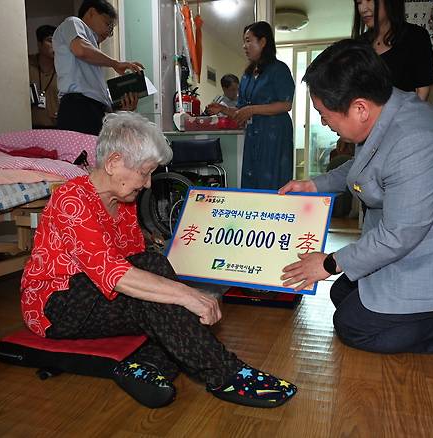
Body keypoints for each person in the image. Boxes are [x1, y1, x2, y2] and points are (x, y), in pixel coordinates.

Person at [20, 112, 297, 408]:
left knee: (159, 281)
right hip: (56, 306)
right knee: (164, 282)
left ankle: (149, 366)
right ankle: (225, 373)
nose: (149, 183)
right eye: (144, 172)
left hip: (99, 298)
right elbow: (116, 273)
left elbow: (137, 267)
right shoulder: (71, 198)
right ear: (113, 163)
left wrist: (181, 293)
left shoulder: (123, 202)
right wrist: (189, 296)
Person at [279, 39, 433, 358]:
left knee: (353, 325)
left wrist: (330, 262)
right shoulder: (386, 111)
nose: (323, 122)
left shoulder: (416, 140)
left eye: (324, 113)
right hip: (419, 246)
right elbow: (365, 167)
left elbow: (399, 235)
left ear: (359, 108)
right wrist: (314, 186)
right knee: (344, 292)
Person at [210, 21, 294, 190]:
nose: (244, 46)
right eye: (244, 41)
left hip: (275, 135)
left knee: (273, 182)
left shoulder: (279, 69)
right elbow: (242, 110)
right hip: (253, 135)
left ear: (263, 42)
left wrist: (253, 109)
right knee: (252, 180)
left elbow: (286, 105)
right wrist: (224, 110)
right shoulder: (247, 75)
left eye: (249, 40)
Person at [53, 0, 143, 135]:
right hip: (77, 107)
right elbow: (80, 50)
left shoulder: (94, 52)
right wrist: (115, 63)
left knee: (96, 154)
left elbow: (95, 92)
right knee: (80, 154)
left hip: (95, 111)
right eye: (108, 24)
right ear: (91, 12)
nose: (108, 32)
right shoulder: (73, 23)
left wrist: (121, 107)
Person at [352, 0, 433, 100]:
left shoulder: (415, 36)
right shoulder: (358, 45)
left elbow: (422, 91)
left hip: (408, 114)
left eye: (369, 0)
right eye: (359, 3)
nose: (363, 9)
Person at [29, 25, 60, 128]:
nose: (55, 45)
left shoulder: (63, 68)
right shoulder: (27, 65)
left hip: (56, 127)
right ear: (39, 44)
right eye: (50, 41)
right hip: (29, 126)